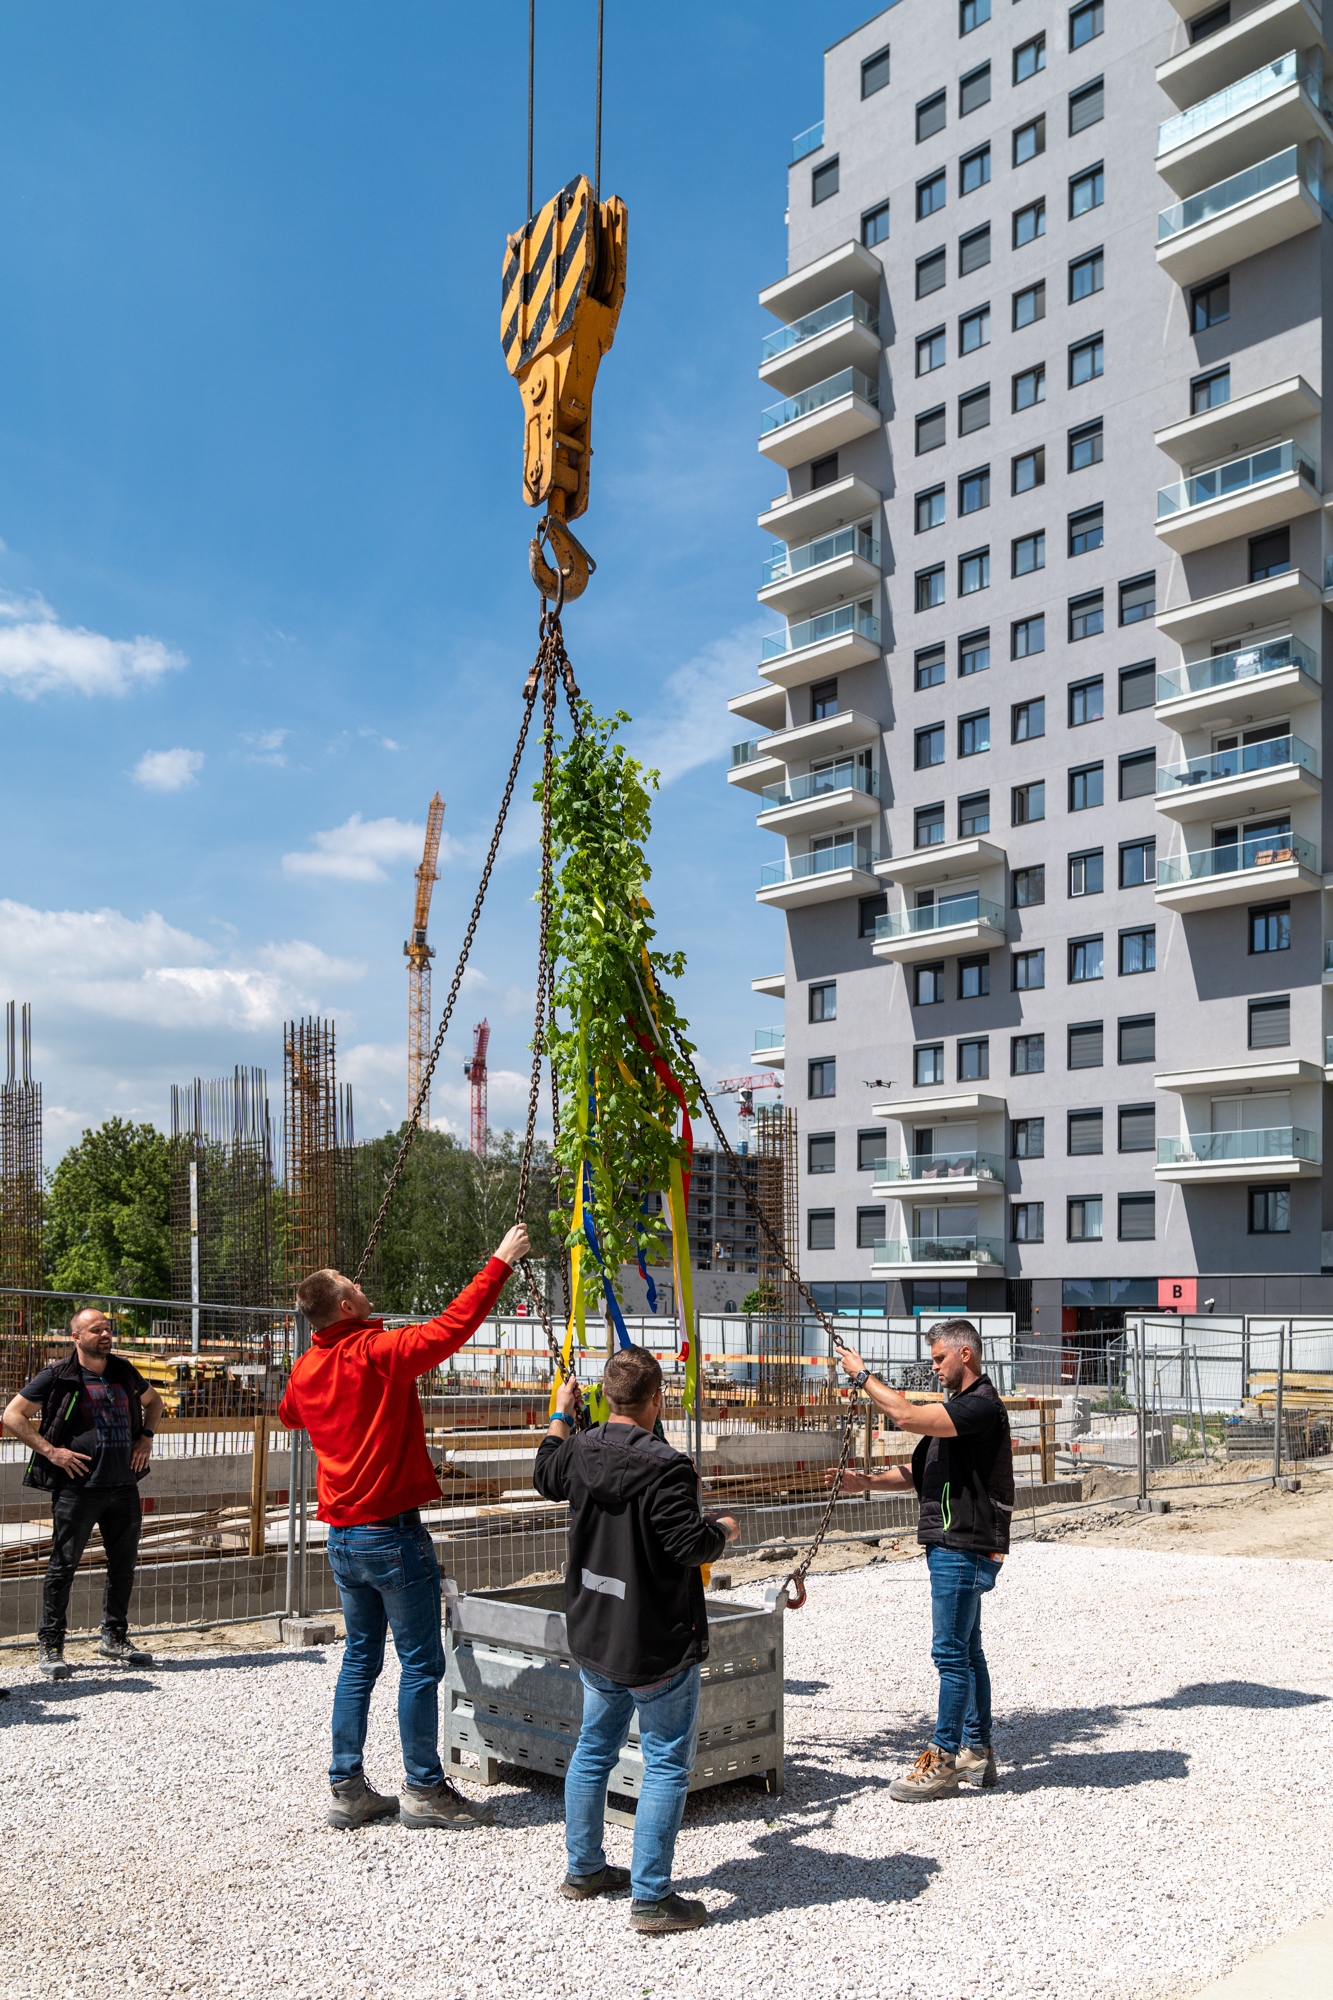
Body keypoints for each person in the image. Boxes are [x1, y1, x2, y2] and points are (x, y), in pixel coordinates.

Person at [279, 1223, 529, 1832]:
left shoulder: (309, 1366)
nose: (365, 1289)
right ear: (345, 1307)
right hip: (390, 1532)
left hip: (341, 1536)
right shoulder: (376, 1353)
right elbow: (450, 1329)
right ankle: (423, 1786)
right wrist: (498, 1262)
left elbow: (290, 1413)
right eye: (355, 1287)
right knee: (420, 1662)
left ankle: (347, 1785)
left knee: (360, 1657)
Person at [533, 1346, 739, 1934]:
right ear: (657, 1399)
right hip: (654, 1641)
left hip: (597, 1630)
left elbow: (544, 1471)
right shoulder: (668, 1466)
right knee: (666, 1762)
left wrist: (560, 1416)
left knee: (594, 1747)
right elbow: (687, 1546)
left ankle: (584, 1869)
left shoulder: (579, 1447)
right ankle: (650, 1897)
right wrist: (720, 1529)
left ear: (603, 1396)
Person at [828, 1317, 1013, 1801]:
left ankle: (943, 1758)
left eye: (938, 1359)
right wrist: (865, 1483)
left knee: (949, 1654)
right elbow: (916, 1472)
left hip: (962, 1544)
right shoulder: (956, 1414)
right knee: (968, 1652)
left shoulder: (978, 1407)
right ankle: (977, 1749)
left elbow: (905, 1416)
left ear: (964, 1354)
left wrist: (862, 1376)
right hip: (954, 1543)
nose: (934, 1368)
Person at [3, 1307, 165, 1679]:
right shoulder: (57, 1376)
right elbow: (12, 1416)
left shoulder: (124, 1370)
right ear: (75, 1337)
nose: (105, 1335)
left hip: (123, 1485)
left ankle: (114, 1637)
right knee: (63, 1567)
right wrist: (51, 1452)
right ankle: (51, 1644)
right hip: (77, 1489)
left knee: (123, 1566)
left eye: (108, 1329)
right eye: (96, 1330)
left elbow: (154, 1402)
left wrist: (146, 1437)